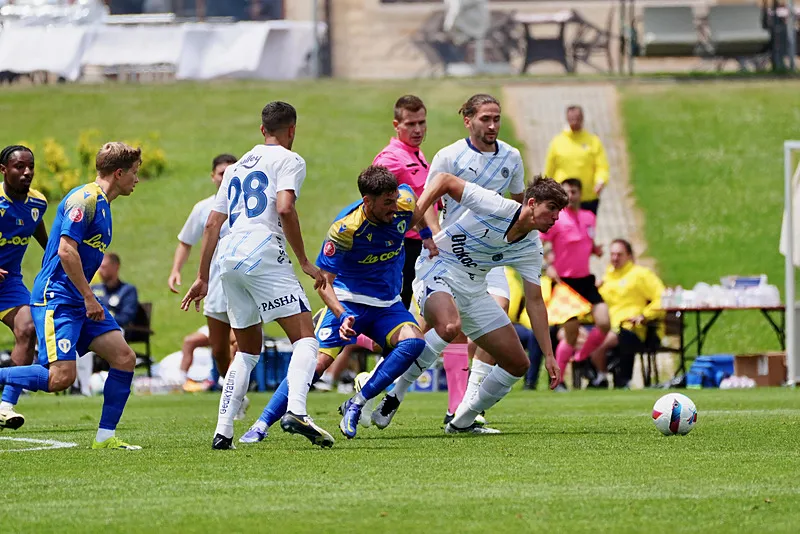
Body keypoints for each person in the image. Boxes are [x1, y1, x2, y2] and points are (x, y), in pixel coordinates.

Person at [181, 101, 330, 450]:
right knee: (306, 339)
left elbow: (213, 223)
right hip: (264, 250)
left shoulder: (234, 168)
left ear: (262, 130)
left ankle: (223, 432)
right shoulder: (290, 160)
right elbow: (284, 207)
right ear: (292, 130)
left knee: (247, 351)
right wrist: (305, 261)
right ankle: (297, 410)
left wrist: (202, 276)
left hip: (228, 259)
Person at [240, 165, 427, 442]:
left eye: (394, 200)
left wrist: (428, 239)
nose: (393, 208)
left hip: (387, 304)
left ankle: (357, 402)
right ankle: (260, 424)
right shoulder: (345, 228)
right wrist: (341, 315)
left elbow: (416, 216)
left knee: (414, 342)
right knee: (315, 366)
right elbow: (323, 282)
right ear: (367, 201)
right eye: (386, 203)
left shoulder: (404, 201)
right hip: (348, 300)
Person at [372, 172, 568, 433]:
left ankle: (462, 420)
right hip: (437, 267)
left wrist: (549, 355)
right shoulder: (497, 205)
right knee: (449, 326)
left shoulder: (531, 247)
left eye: (559, 212)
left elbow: (535, 302)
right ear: (531, 203)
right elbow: (443, 179)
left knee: (518, 363)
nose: (555, 218)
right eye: (551, 208)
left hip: (473, 289)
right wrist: (415, 218)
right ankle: (394, 394)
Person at [0, 142, 143, 449]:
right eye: (134, 172)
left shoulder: (102, 203)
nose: (137, 179)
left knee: (124, 358)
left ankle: (105, 438)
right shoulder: (85, 200)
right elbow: (66, 251)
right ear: (119, 173)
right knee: (60, 378)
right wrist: (90, 297)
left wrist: (87, 298)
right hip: (58, 298)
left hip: (78, 298)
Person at [394, 93, 526, 424]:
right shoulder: (450, 155)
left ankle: (466, 408)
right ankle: (385, 387)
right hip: (449, 256)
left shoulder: (512, 157)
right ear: (467, 120)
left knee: (498, 313)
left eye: (497, 118)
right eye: (485, 119)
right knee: (422, 333)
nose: (493, 125)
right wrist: (435, 238)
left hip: (487, 258)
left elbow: (520, 207)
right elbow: (429, 202)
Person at [168, 154, 238, 387]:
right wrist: (176, 270)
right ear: (213, 177)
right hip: (215, 286)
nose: (225, 177)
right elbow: (185, 241)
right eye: (221, 173)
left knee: (238, 343)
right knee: (219, 351)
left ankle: (236, 392)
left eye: (230, 172)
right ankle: (234, 392)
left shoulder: (248, 205)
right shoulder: (203, 208)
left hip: (244, 284)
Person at [541, 178, 610, 391]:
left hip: (585, 279)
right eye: (567, 192)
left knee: (604, 321)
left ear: (581, 194)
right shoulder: (556, 218)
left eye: (574, 192)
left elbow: (583, 243)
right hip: (565, 282)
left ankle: (581, 357)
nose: (571, 196)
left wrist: (594, 250)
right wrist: (547, 266)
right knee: (570, 333)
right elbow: (538, 244)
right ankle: (558, 380)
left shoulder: (589, 217)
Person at [0, 145, 48, 430]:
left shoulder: (37, 203)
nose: (27, 172)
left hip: (9, 285)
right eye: (19, 167)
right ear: (4, 170)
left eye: (30, 166)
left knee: (28, 329)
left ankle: (5, 405)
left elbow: (43, 236)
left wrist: (57, 257)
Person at [372, 95, 431, 309]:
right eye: (411, 124)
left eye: (421, 122)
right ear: (397, 125)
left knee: (439, 314)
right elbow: (373, 206)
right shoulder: (390, 159)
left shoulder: (416, 153)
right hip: (402, 247)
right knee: (394, 310)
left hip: (422, 244)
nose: (418, 130)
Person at [590, 239, 665, 388]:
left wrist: (645, 315)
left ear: (629, 256)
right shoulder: (607, 277)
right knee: (585, 339)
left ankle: (607, 377)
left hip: (633, 328)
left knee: (598, 343)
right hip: (609, 326)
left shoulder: (640, 274)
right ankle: (601, 376)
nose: (615, 258)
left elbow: (662, 298)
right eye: (612, 254)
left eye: (619, 254)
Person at [544, 105, 609, 215]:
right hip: (563, 197)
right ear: (567, 118)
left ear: (582, 118)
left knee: (585, 229)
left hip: (587, 197)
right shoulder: (557, 142)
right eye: (572, 118)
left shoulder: (593, 141)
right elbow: (549, 169)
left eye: (577, 118)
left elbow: (602, 166)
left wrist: (600, 181)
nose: (575, 121)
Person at [92, 253, 139, 327]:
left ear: (116, 267)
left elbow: (126, 317)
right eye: (99, 267)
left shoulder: (127, 290)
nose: (99, 271)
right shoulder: (93, 289)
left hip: (116, 328)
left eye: (104, 267)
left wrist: (103, 319)